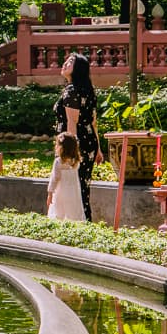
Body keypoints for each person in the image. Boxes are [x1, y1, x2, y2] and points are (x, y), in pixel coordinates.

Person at [53, 52, 103, 220]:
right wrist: (98, 149)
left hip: (76, 144)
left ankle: (74, 222)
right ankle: (84, 220)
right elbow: (93, 122)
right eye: (66, 60)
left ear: (78, 69)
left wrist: (68, 153)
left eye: (71, 62)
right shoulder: (88, 90)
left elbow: (71, 123)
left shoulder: (71, 91)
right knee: (82, 184)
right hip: (89, 142)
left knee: (72, 186)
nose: (65, 63)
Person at [46, 132, 86, 221]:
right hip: (73, 192)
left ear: (61, 148)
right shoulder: (75, 161)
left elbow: (54, 178)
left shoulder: (59, 162)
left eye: (57, 144)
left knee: (59, 211)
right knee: (73, 210)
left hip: (61, 192)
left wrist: (50, 193)